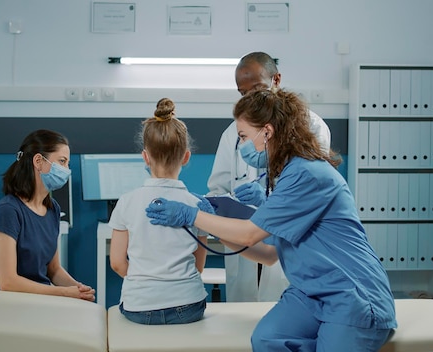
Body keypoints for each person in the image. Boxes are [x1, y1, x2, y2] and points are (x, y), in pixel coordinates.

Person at [146, 89, 397, 351]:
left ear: (267, 132)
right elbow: (267, 254)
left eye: (244, 137)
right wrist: (219, 224)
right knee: (266, 339)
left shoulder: (307, 173)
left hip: (351, 294)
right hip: (310, 293)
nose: (243, 145)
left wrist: (194, 215)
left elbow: (249, 235)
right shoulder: (288, 174)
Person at [207, 51, 331, 302]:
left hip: (287, 243)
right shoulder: (233, 133)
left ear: (276, 80)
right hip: (247, 247)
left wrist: (269, 200)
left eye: (258, 88)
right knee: (242, 325)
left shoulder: (311, 127)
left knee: (285, 324)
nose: (251, 98)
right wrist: (212, 206)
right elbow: (217, 187)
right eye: (243, 93)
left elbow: (309, 195)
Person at [108, 98, 208, 325]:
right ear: (186, 156)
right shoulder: (198, 206)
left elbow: (117, 263)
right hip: (189, 306)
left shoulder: (126, 202)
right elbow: (199, 267)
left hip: (138, 307)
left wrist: (146, 283)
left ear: (145, 157)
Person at [0, 129, 95, 301]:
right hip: (5, 304)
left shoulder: (52, 209)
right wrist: (64, 293)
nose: (67, 170)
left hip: (37, 300)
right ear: (38, 161)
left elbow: (54, 269)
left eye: (67, 164)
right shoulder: (8, 210)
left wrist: (77, 289)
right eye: (62, 161)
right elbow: (7, 282)